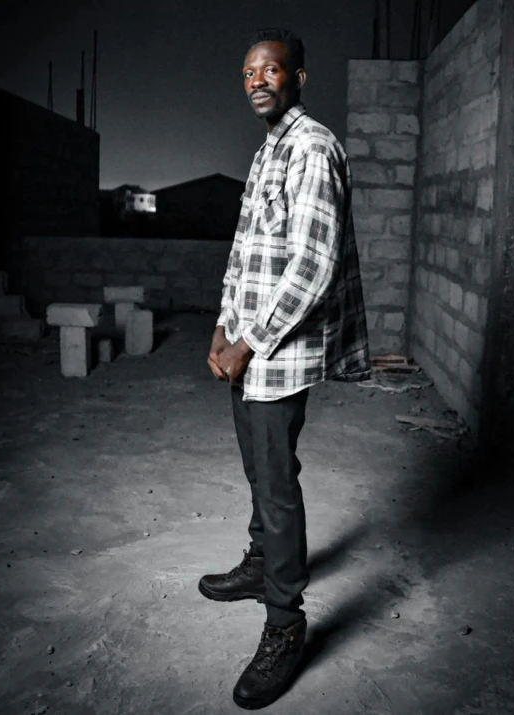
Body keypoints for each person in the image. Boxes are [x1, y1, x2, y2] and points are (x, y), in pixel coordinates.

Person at [200, 28, 370, 710]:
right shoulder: (268, 149)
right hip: (244, 345)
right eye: (248, 72)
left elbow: (312, 265)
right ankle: (262, 558)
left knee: (275, 482)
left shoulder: (312, 147)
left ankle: (285, 621)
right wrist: (221, 323)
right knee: (256, 469)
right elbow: (245, 254)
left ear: (298, 75)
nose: (257, 79)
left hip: (279, 353)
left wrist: (251, 341)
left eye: (271, 68)